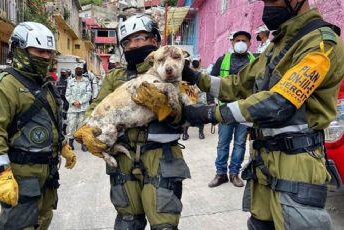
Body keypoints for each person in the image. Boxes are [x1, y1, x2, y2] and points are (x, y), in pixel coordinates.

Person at [182, 0, 344, 229]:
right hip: (263, 158)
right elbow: (239, 84)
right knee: (260, 224)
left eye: (273, 0)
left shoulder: (321, 43)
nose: (267, 7)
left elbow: (279, 103)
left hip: (296, 162)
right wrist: (196, 77)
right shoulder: (279, 44)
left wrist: (212, 113)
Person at [75, 14, 190, 230]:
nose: (133, 45)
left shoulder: (174, 71)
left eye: (140, 39)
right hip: (123, 160)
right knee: (128, 223)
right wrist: (87, 130)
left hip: (162, 157)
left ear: (155, 41)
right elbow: (96, 107)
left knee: (164, 224)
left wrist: (168, 108)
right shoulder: (115, 77)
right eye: (127, 42)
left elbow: (190, 113)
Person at [0, 22, 76, 230]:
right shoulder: (5, 86)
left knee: (43, 219)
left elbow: (52, 121)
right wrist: (1, 173)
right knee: (20, 225)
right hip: (22, 173)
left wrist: (63, 145)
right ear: (19, 50)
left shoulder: (46, 84)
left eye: (49, 52)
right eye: (39, 51)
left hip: (48, 171)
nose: (45, 57)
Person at [207, 30, 256, 188]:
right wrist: (210, 103)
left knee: (240, 143)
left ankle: (234, 173)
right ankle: (220, 174)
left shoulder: (255, 61)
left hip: (245, 110)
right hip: (225, 109)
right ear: (232, 43)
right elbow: (211, 81)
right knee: (223, 143)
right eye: (238, 40)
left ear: (249, 44)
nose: (241, 42)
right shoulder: (223, 60)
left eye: (244, 40)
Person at [65, 63, 92, 151]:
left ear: (82, 70)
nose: (79, 70)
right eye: (77, 69)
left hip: (83, 108)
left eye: (80, 69)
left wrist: (80, 102)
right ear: (75, 70)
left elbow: (89, 93)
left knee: (82, 126)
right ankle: (70, 144)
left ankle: (83, 144)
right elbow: (67, 94)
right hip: (72, 108)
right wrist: (73, 102)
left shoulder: (87, 81)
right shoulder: (70, 81)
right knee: (71, 126)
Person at [56, 68, 69, 135]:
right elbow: (56, 89)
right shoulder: (58, 80)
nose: (62, 73)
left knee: (65, 115)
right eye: (61, 72)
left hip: (66, 100)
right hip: (59, 100)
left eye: (64, 72)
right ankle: (59, 129)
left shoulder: (69, 80)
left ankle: (64, 128)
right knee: (59, 115)